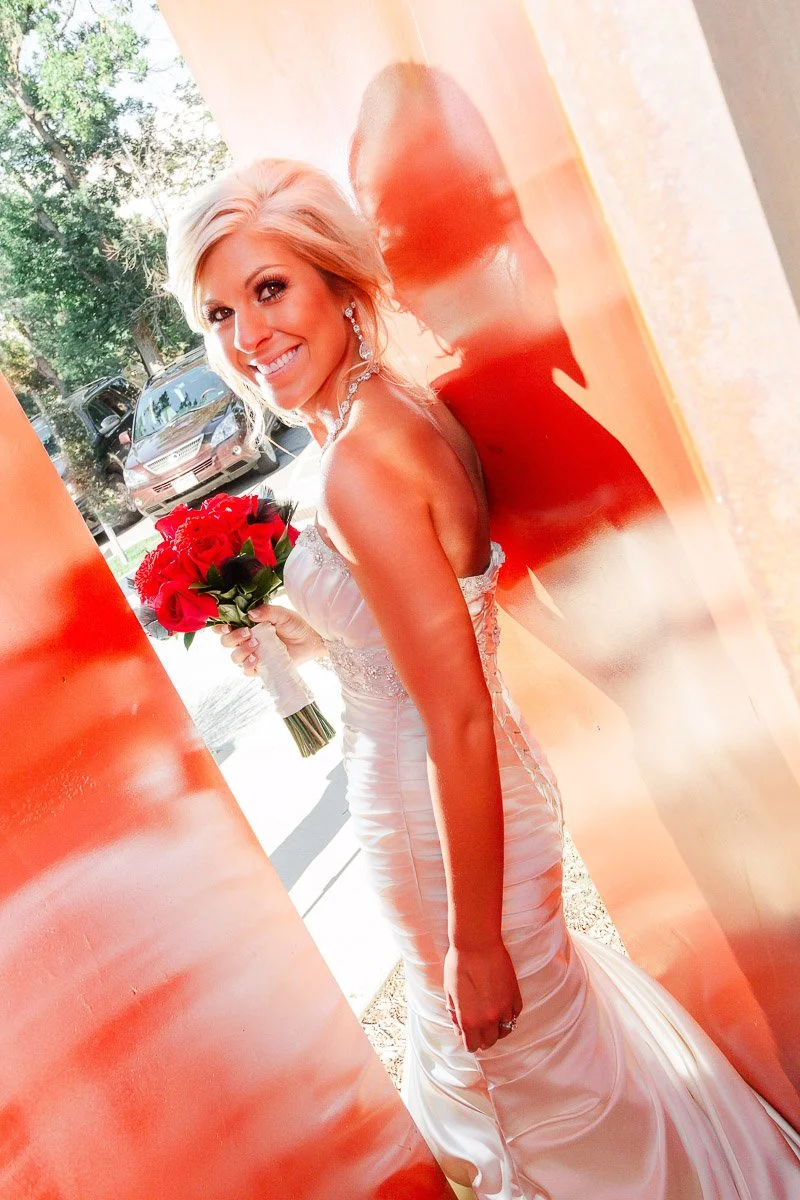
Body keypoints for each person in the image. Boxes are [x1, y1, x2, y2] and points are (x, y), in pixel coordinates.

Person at [167, 158, 800, 1200]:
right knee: (557, 1090)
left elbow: (454, 712)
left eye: (270, 289)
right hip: (468, 806)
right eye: (219, 311)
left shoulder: (358, 462)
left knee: (539, 1119)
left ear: (337, 283)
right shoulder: (394, 414)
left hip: (446, 823)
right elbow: (434, 641)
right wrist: (300, 630)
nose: (245, 336)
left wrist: (472, 947)